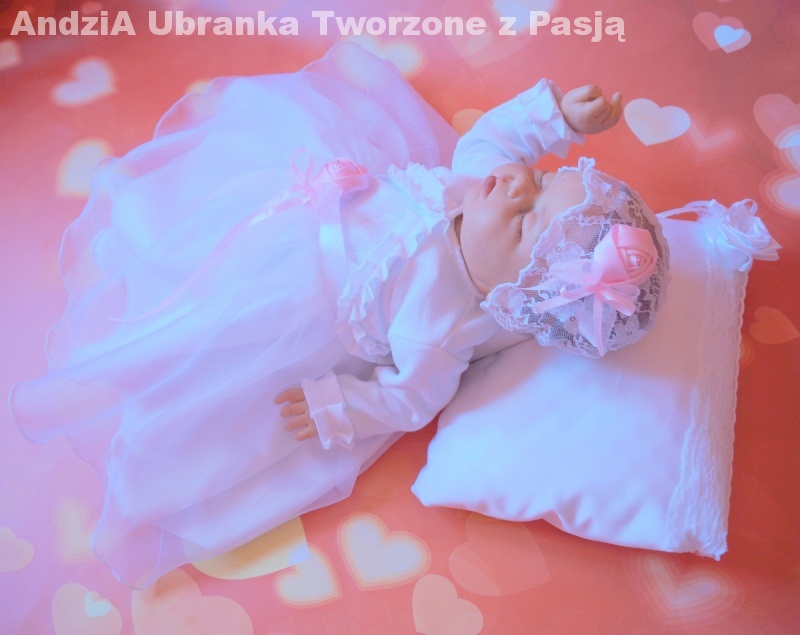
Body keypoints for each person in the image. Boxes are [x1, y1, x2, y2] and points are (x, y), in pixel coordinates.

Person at [8, 42, 668, 588]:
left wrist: (339, 404)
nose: (520, 182)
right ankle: (155, 251)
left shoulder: (440, 323)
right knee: (201, 223)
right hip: (306, 199)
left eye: (526, 218)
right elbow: (497, 137)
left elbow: (410, 399)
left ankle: (145, 332)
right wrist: (557, 118)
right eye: (545, 179)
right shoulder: (480, 183)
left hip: (294, 298)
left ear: (514, 296)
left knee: (205, 323)